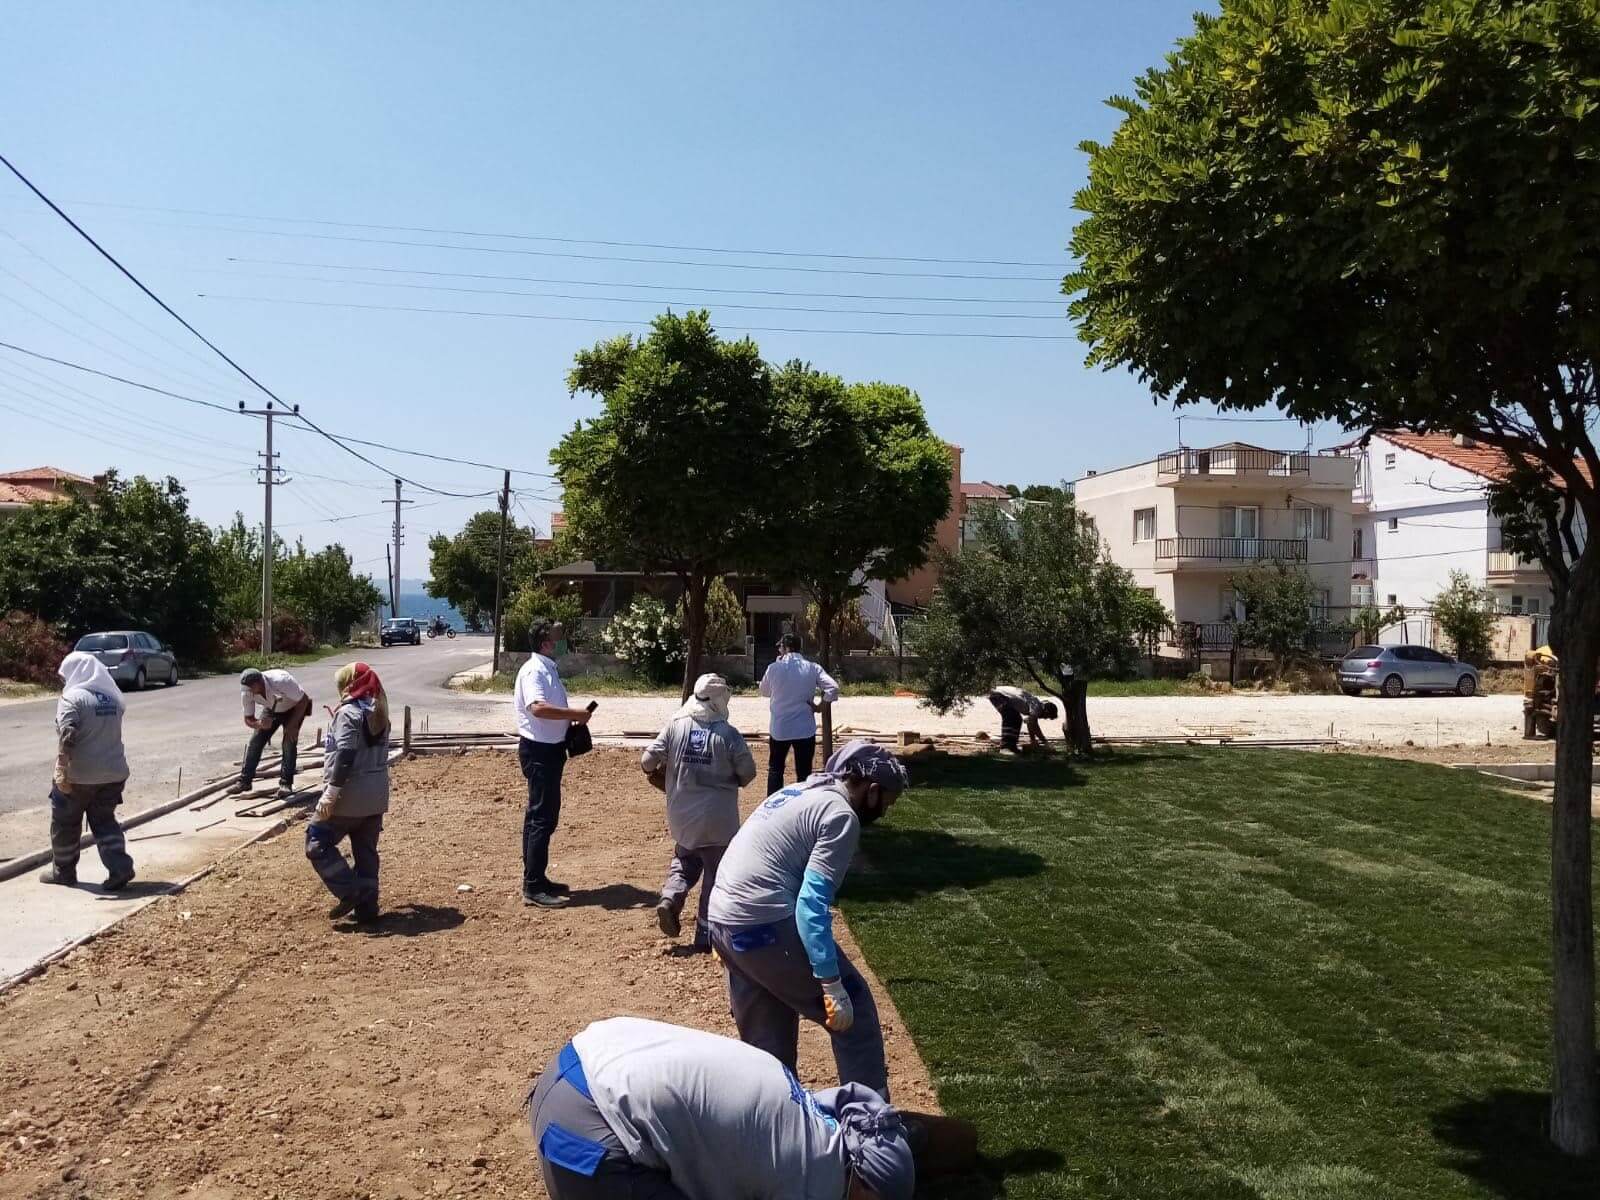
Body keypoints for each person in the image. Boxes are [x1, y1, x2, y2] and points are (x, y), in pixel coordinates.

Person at [707, 740, 909, 1098]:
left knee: (768, 1039)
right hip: (764, 924)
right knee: (855, 1011)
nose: (884, 813)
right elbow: (811, 906)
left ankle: (774, 1118)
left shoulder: (799, 791)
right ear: (873, 790)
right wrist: (831, 984)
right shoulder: (840, 816)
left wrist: (725, 934)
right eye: (886, 803)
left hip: (724, 919)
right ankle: (869, 1121)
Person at [527, 1016, 913, 1200]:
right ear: (865, 1181)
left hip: (571, 1068)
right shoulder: (819, 1181)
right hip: (584, 1138)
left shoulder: (813, 1118)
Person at [640, 673, 757, 950]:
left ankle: (671, 898)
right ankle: (705, 934)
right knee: (715, 875)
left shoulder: (676, 724)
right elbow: (748, 773)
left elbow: (647, 761)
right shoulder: (728, 734)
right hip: (719, 821)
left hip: (682, 817)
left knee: (685, 860)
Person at [39, 651, 136, 890]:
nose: (64, 680)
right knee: (104, 821)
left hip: (79, 776)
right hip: (114, 773)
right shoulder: (113, 699)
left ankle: (63, 872)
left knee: (65, 823)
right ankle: (120, 868)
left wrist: (61, 767)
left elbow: (68, 732)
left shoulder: (72, 698)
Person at [514, 621, 592, 908]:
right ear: (545, 642)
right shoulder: (534, 671)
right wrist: (574, 714)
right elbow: (537, 708)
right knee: (542, 817)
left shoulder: (545, 668)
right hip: (540, 752)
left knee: (541, 815)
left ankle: (536, 877)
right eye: (556, 637)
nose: (561, 641)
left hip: (548, 749)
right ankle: (533, 885)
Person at [305, 662, 391, 923]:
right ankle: (368, 908)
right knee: (366, 851)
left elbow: (345, 755)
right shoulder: (379, 711)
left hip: (348, 795)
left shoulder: (348, 713)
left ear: (349, 684)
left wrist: (331, 793)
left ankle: (349, 890)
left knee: (316, 842)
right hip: (376, 796)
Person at [758, 633, 841, 797]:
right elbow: (833, 687)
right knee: (804, 773)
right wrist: (821, 706)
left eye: (780, 647)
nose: (779, 650)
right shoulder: (812, 667)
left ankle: (772, 804)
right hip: (804, 728)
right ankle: (803, 805)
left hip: (780, 728)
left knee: (776, 769)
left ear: (785, 648)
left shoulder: (774, 668)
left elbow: (764, 691)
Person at [228, 667, 312, 798]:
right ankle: (245, 781)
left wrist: (293, 725)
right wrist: (259, 724)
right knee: (255, 742)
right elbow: (248, 719)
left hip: (295, 708)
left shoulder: (281, 680)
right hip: (271, 708)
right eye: (246, 688)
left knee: (288, 743)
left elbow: (304, 700)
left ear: (258, 683)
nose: (249, 691)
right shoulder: (246, 692)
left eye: (251, 688)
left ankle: (286, 784)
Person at [987, 685, 1058, 752]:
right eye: (1047, 717)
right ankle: (1005, 747)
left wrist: (1033, 741)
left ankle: (1012, 747)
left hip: (999, 694)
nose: (1045, 718)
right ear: (1046, 711)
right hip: (998, 695)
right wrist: (1045, 741)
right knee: (1011, 717)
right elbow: (1033, 723)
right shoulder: (1037, 707)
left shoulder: (1035, 706)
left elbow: (1030, 723)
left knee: (1017, 719)